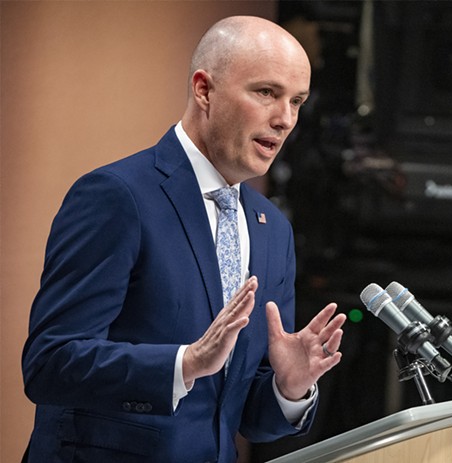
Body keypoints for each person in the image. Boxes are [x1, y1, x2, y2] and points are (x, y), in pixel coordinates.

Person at [21, 15, 346, 463]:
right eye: (267, 93)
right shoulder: (118, 196)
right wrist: (185, 364)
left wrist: (288, 388)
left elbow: (247, 418)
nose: (285, 119)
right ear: (204, 90)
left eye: (297, 101)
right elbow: (50, 365)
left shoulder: (274, 230)